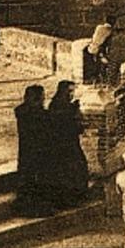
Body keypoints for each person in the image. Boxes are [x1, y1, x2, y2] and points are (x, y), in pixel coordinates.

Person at [45, 81, 90, 207]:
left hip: (70, 142)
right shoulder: (57, 105)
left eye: (72, 91)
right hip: (62, 144)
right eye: (69, 91)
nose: (71, 94)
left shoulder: (66, 105)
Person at [13, 84, 49, 215]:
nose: (42, 101)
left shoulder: (22, 111)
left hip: (27, 150)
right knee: (33, 178)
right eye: (40, 98)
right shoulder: (35, 114)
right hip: (34, 150)